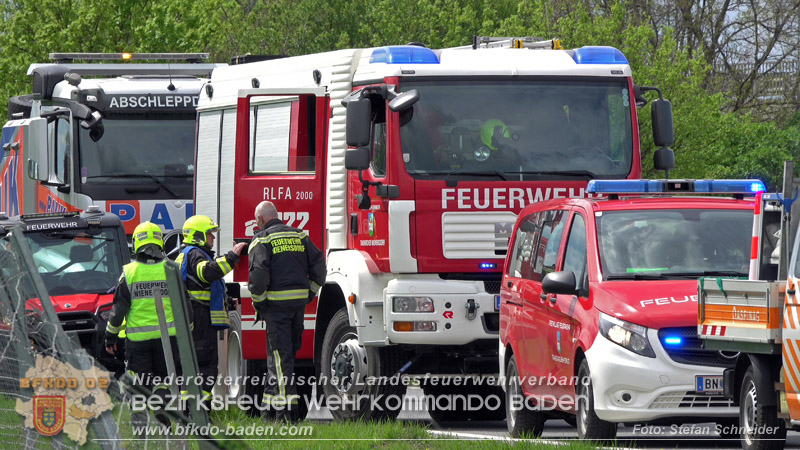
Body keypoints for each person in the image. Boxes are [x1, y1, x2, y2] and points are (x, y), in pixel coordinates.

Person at [104, 221, 187, 429]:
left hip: (138, 341)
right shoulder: (172, 269)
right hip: (168, 340)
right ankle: (161, 411)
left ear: (136, 243)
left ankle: (140, 426)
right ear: (160, 242)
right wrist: (188, 332)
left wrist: (110, 338)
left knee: (139, 382)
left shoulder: (130, 272)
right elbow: (186, 306)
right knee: (163, 379)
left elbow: (118, 311)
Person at [248, 201, 325, 422]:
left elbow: (258, 278)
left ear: (261, 219)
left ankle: (285, 414)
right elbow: (320, 269)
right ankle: (267, 412)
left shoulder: (261, 239)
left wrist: (260, 303)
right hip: (297, 306)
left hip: (275, 308)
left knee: (280, 360)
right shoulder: (300, 236)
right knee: (282, 358)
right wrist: (309, 294)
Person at [176, 215, 246, 400]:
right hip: (199, 320)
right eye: (210, 234)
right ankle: (200, 414)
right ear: (198, 235)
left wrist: (228, 302)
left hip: (194, 317)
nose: (213, 238)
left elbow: (201, 287)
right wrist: (232, 258)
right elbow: (206, 273)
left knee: (194, 369)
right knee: (205, 369)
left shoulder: (188, 254)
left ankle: (191, 412)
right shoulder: (195, 254)